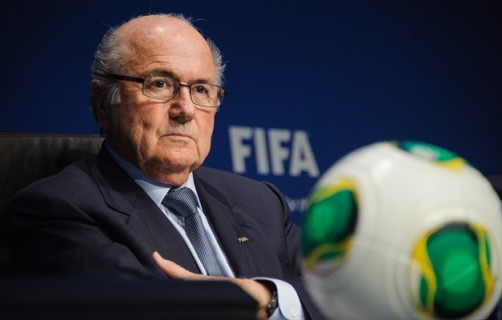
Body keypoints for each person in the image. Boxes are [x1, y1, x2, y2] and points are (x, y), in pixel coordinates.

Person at [0, 14, 323, 320]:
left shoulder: (259, 201)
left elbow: (345, 289)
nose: (185, 109)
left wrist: (267, 297)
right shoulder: (55, 208)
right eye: (160, 84)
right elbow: (152, 311)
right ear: (103, 101)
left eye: (200, 89)